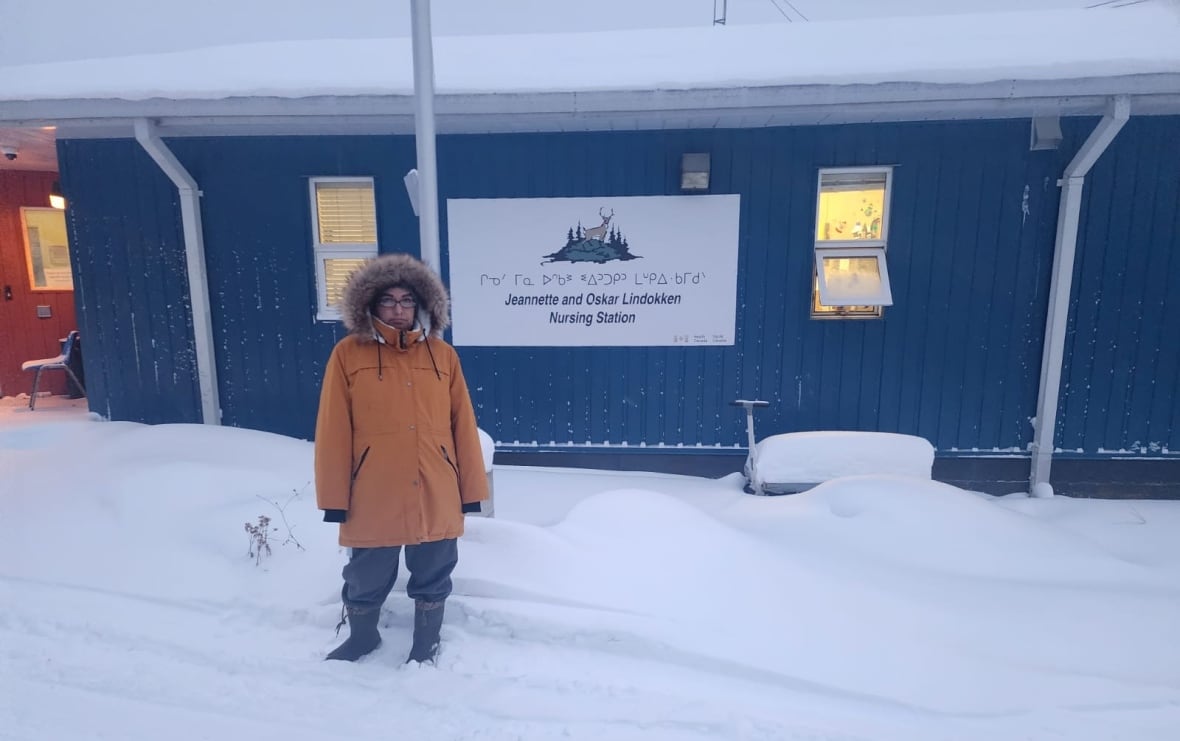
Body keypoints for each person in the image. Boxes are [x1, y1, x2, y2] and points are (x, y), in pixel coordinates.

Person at [314, 253, 489, 664]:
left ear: (422, 305)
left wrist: (470, 490)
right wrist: (334, 497)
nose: (397, 310)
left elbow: (462, 424)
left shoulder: (443, 356)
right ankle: (362, 637)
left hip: (436, 483)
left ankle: (425, 642)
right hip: (374, 486)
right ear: (370, 305)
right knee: (366, 571)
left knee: (434, 567)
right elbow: (333, 429)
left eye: (406, 301)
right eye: (388, 301)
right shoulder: (348, 354)